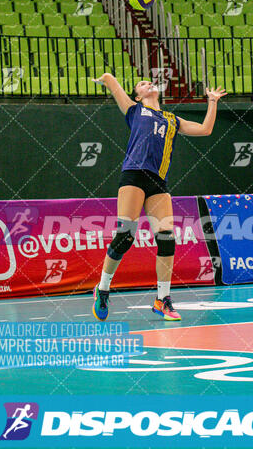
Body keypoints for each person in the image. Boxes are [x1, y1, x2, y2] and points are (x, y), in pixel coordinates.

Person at [91, 74, 227, 321]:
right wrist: (105, 79)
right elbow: (112, 81)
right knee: (125, 237)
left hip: (157, 182)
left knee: (166, 240)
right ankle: (102, 289)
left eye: (148, 82)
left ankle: (163, 299)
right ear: (138, 95)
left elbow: (205, 130)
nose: (147, 84)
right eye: (141, 84)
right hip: (133, 176)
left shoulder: (172, 119)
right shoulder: (134, 110)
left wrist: (213, 102)